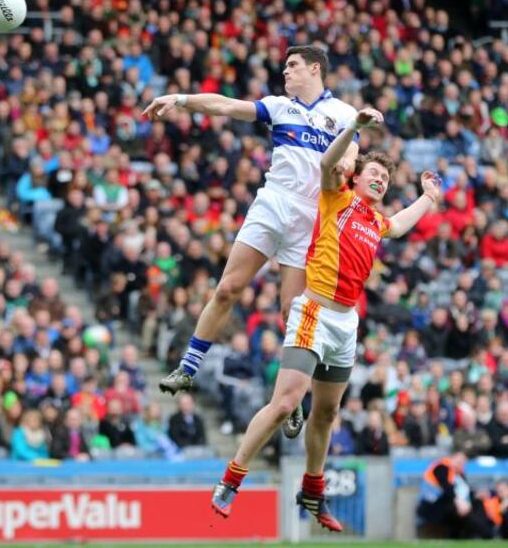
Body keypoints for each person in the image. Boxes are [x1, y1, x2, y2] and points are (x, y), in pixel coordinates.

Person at [208, 108, 441, 532]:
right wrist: (354, 128)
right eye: (374, 173)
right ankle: (230, 480)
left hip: (345, 325)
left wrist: (428, 197)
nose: (380, 180)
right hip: (313, 312)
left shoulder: (376, 221)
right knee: (284, 404)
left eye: (385, 179)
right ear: (355, 177)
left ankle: (312, 490)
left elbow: (402, 225)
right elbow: (326, 163)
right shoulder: (337, 197)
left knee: (327, 413)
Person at [146, 46, 358, 440]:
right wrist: (180, 99)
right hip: (274, 204)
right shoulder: (279, 106)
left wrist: (348, 164)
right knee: (228, 288)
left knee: (290, 314)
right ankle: (188, 368)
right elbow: (225, 106)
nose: (285, 71)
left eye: (292, 65)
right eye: (284, 66)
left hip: (309, 219)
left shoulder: (344, 115)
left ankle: (291, 399)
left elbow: (353, 154)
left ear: (315, 68)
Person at [417, 452, 472, 539]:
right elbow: (447, 487)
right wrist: (459, 501)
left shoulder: (459, 473)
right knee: (454, 509)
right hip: (431, 504)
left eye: (463, 462)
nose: (460, 464)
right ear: (452, 458)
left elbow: (465, 490)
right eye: (459, 461)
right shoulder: (441, 467)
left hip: (449, 503)